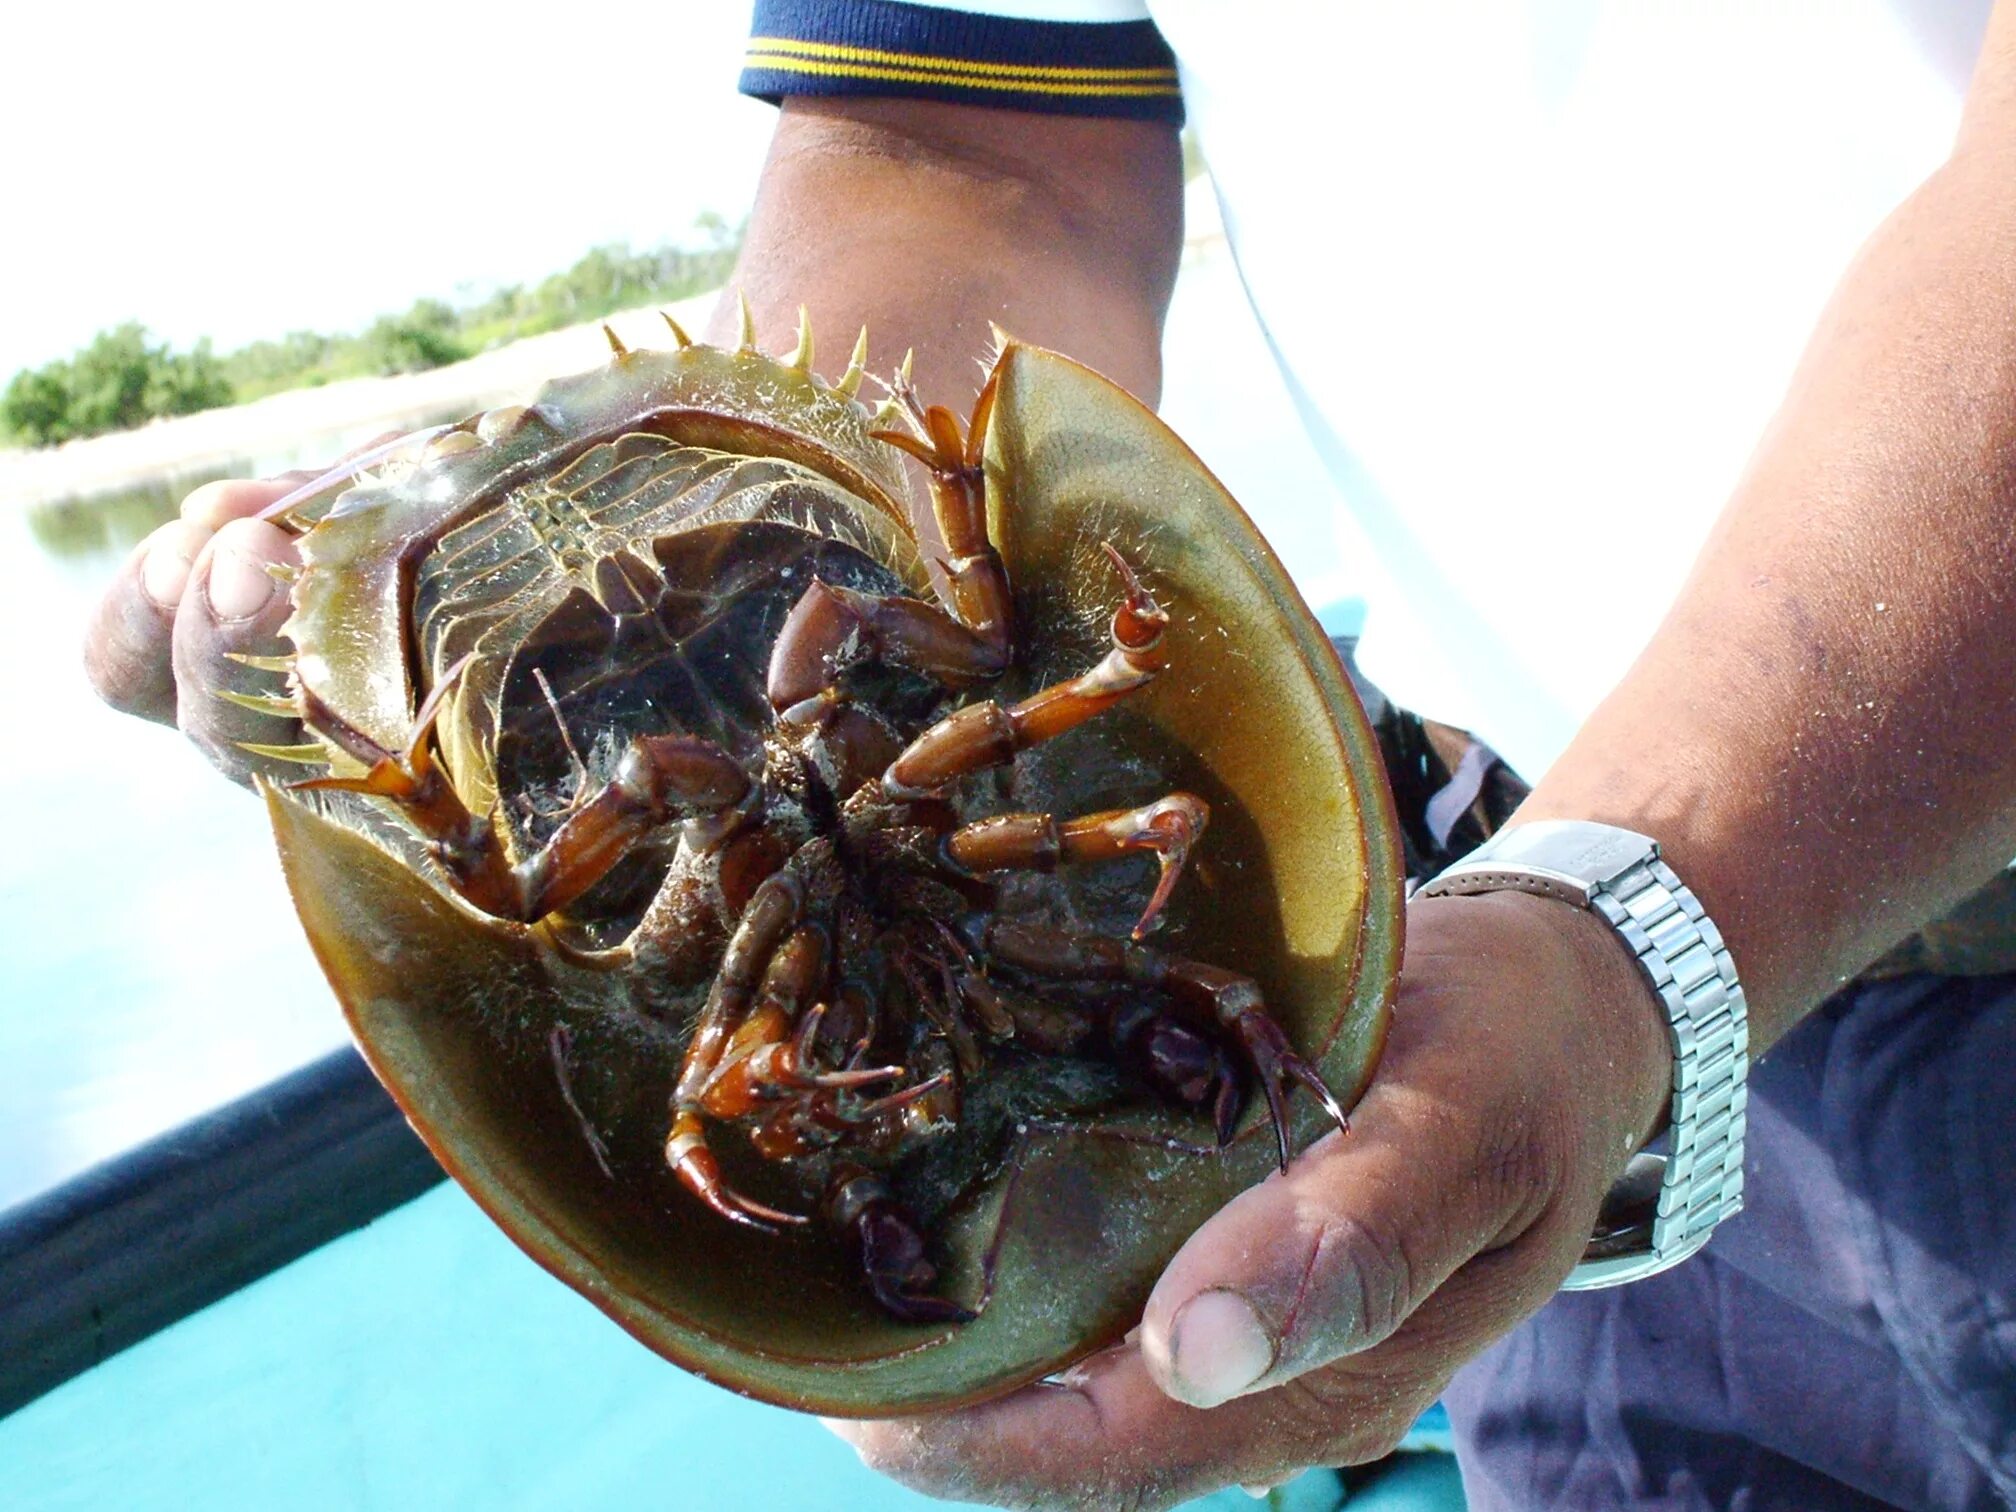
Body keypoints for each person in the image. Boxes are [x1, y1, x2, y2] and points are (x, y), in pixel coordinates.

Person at [86, 1, 2016, 1506]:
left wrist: (1649, 914)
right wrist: (696, 569)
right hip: (1486, 1001)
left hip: (1638, 944)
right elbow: (966, 145)